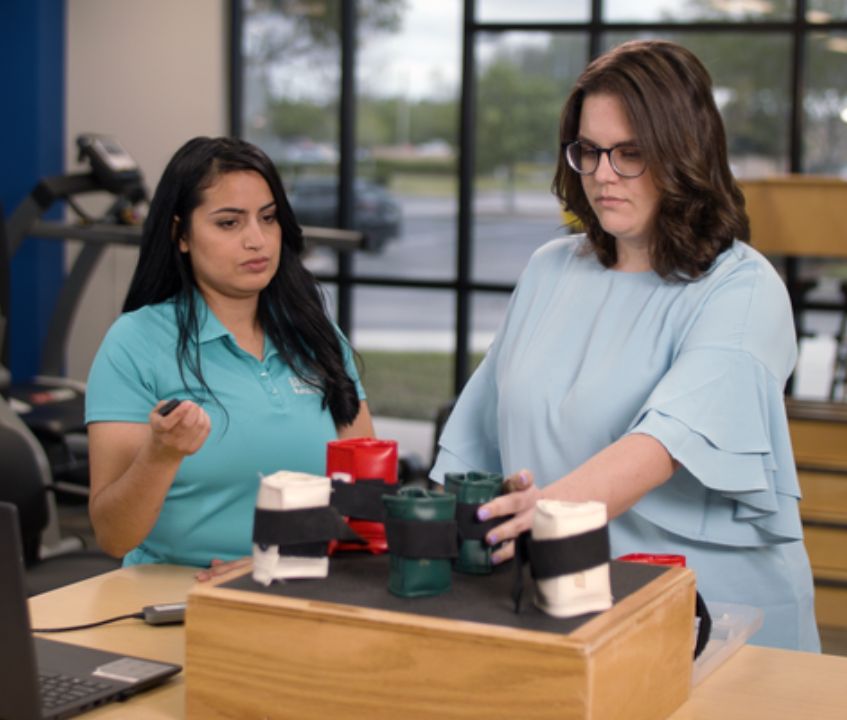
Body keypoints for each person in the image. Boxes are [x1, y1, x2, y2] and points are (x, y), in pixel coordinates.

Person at [430, 40, 820, 652]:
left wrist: (546, 510)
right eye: (589, 150)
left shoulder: (743, 288)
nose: (603, 174)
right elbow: (477, 436)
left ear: (685, 152)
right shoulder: (549, 269)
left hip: (718, 621)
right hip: (570, 612)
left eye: (630, 153)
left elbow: (665, 443)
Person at [86, 137, 374, 579]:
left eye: (268, 218)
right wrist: (160, 455)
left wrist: (281, 562)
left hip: (305, 584)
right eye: (229, 223)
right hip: (176, 593)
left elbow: (367, 497)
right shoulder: (134, 342)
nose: (257, 240)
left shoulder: (316, 334)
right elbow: (113, 536)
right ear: (181, 234)